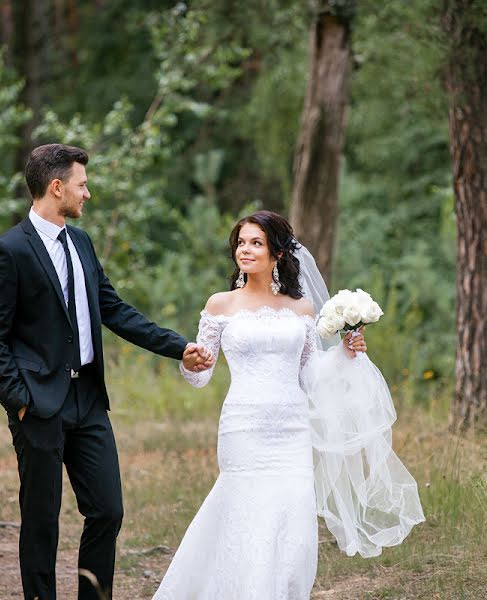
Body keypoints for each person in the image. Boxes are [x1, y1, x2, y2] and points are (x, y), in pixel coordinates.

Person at [0, 143, 213, 600]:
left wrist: (178, 347)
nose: (88, 193)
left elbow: (114, 311)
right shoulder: (7, 251)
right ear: (56, 186)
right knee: (41, 521)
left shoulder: (81, 242)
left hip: (89, 403)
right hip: (38, 405)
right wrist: (20, 401)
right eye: (82, 184)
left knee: (108, 511)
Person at [153, 210, 424, 599]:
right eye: (241, 242)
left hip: (292, 431)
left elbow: (311, 376)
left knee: (293, 525)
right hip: (243, 428)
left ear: (277, 253)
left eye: (256, 243)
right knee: (245, 519)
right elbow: (200, 376)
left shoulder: (301, 310)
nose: (245, 250)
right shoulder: (220, 305)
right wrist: (190, 361)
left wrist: (346, 353)